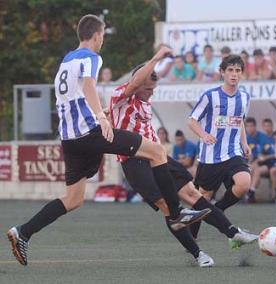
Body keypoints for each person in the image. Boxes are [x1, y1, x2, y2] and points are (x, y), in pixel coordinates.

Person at [6, 15, 210, 267]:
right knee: (157, 151)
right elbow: (90, 85)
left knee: (73, 199)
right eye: (102, 35)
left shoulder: (66, 60)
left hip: (70, 138)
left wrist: (98, 110)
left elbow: (73, 96)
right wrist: (101, 119)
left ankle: (23, 232)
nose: (102, 40)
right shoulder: (92, 57)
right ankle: (178, 215)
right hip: (90, 132)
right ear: (96, 36)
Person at [109, 63, 258, 267]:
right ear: (136, 84)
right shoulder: (121, 95)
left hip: (159, 156)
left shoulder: (144, 101)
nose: (151, 93)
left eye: (153, 89)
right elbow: (132, 86)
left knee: (194, 195)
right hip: (135, 163)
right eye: (148, 89)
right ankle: (198, 254)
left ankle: (234, 233)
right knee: (169, 209)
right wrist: (159, 57)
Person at [188, 55, 253, 240]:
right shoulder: (210, 96)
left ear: (242, 74)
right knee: (202, 198)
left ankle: (218, 210)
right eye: (230, 70)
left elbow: (239, 121)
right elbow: (191, 121)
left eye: (238, 70)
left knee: (244, 183)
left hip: (233, 152)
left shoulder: (245, 97)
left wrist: (244, 143)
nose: (234, 74)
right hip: (210, 156)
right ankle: (191, 238)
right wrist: (204, 135)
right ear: (222, 72)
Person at [248, 118, 276, 203]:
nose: (267, 128)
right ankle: (250, 193)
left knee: (254, 168)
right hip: (262, 163)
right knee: (253, 169)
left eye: (269, 126)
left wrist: (262, 158)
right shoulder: (248, 138)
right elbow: (257, 154)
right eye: (265, 126)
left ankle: (250, 193)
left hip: (273, 163)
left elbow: (275, 154)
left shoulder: (272, 137)